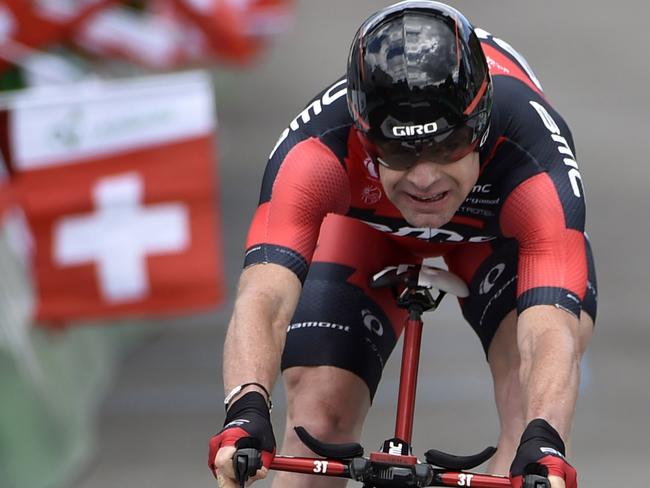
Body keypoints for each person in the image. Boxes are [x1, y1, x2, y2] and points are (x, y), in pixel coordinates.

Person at [208, 1, 597, 487]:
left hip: (497, 236)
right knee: (317, 413)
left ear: (480, 126)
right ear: (364, 137)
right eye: (398, 151)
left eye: (447, 146)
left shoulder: (530, 149)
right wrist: (244, 408)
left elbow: (549, 329)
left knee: (529, 428)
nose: (426, 177)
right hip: (370, 230)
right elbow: (263, 297)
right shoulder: (317, 148)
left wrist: (547, 442)